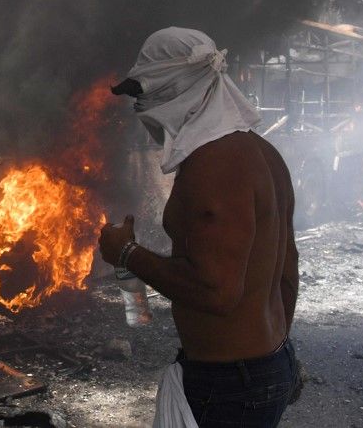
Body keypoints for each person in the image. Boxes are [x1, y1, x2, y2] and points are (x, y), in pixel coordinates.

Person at [99, 27, 299, 428]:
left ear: (178, 89)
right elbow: (287, 270)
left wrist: (128, 254)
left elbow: (217, 292)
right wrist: (278, 356)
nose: (139, 106)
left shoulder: (215, 164)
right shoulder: (261, 152)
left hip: (229, 384)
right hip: (262, 365)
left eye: (144, 93)